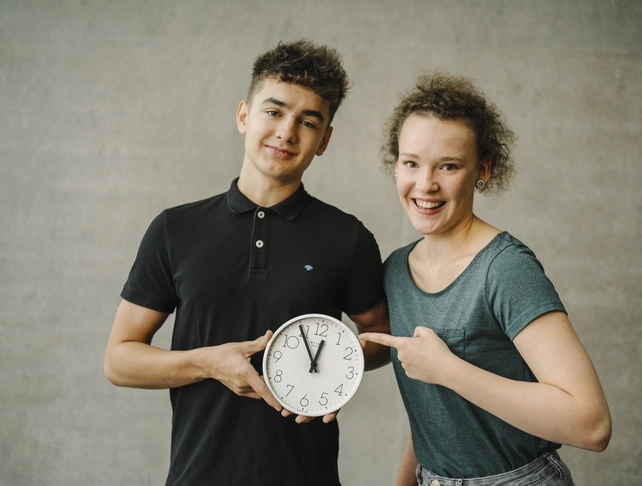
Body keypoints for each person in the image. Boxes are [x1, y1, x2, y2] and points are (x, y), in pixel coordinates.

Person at [104, 39, 390, 486]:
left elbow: (379, 337)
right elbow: (119, 360)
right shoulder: (174, 230)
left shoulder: (348, 238)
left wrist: (337, 371)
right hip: (197, 475)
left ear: (324, 140)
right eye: (274, 111)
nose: (287, 132)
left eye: (308, 121)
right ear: (244, 115)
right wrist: (208, 363)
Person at [359, 72, 612, 486]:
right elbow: (438, 411)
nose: (425, 184)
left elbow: (592, 424)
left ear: (483, 169)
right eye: (411, 163)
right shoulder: (396, 271)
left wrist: (449, 370)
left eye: (449, 165)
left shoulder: (506, 269)